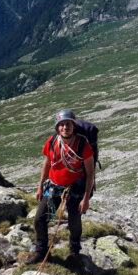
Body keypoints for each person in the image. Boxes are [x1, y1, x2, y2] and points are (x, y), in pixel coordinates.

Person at [34, 109, 95, 262]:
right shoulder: (52, 141)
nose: (65, 127)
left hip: (75, 189)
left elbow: (90, 174)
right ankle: (41, 250)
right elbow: (47, 164)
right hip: (54, 187)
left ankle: (74, 251)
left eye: (68, 124)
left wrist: (86, 199)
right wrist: (40, 186)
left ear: (73, 126)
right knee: (40, 218)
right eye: (61, 125)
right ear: (57, 127)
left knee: (74, 221)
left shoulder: (83, 145)